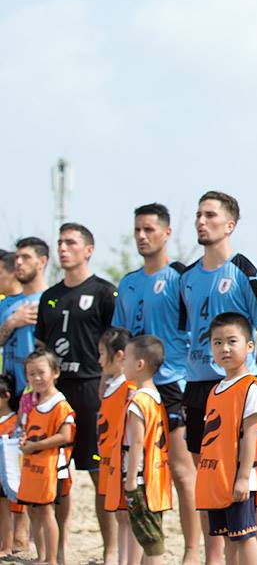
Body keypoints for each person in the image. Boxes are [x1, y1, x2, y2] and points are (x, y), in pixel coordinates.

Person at [179, 191, 257, 564]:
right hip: (201, 385)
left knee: (247, 477)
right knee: (207, 471)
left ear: (230, 224)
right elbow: (184, 332)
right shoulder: (185, 277)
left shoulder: (245, 271)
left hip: (241, 385)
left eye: (210, 215)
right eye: (198, 215)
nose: (202, 222)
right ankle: (212, 556)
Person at [112, 203, 199, 565]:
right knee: (135, 467)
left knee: (180, 469)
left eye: (149, 229)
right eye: (137, 230)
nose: (142, 237)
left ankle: (192, 550)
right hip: (136, 384)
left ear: (166, 233)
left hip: (171, 383)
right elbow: (119, 337)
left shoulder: (180, 277)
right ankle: (146, 549)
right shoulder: (128, 283)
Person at [34, 223, 117, 561]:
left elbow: (115, 347)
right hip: (57, 392)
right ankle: (61, 549)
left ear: (88, 249)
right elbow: (41, 345)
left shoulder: (104, 293)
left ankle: (110, 549)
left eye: (71, 242)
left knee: (100, 472)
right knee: (57, 475)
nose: (63, 248)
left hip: (91, 389)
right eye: (60, 242)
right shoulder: (49, 296)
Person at [195, 313, 257, 565]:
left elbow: (251, 434)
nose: (224, 348)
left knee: (244, 536)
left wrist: (244, 477)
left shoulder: (250, 387)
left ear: (249, 346)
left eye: (231, 341)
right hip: (217, 477)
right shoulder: (215, 389)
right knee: (227, 538)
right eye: (217, 342)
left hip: (239, 477)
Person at [108, 336, 172, 565]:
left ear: (139, 365)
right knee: (150, 537)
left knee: (152, 542)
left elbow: (136, 443)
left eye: (126, 359)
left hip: (141, 479)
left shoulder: (138, 402)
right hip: (156, 476)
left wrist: (131, 480)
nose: (122, 364)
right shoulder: (155, 397)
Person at [17, 350, 75, 565]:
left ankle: (51, 559)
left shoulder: (60, 404)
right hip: (33, 466)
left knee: (47, 511)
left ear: (55, 372)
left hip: (52, 466)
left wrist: (36, 446)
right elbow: (29, 428)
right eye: (31, 374)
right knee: (34, 511)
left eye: (41, 372)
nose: (36, 378)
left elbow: (66, 436)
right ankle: (41, 556)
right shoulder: (31, 401)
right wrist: (25, 440)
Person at [97, 327, 136, 565]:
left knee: (129, 516)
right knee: (121, 515)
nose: (99, 360)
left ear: (120, 355)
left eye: (102, 353)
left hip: (123, 462)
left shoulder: (129, 389)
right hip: (109, 461)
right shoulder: (111, 386)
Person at [0, 236, 50, 395]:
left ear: (42, 261)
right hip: (8, 393)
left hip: (39, 393)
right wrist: (12, 322)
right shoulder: (6, 304)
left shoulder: (52, 300)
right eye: (17, 257)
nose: (19, 262)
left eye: (26, 257)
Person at [0, 374, 21, 556]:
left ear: (6, 396)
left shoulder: (14, 422)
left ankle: (7, 545)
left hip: (7, 473)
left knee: (6, 509)